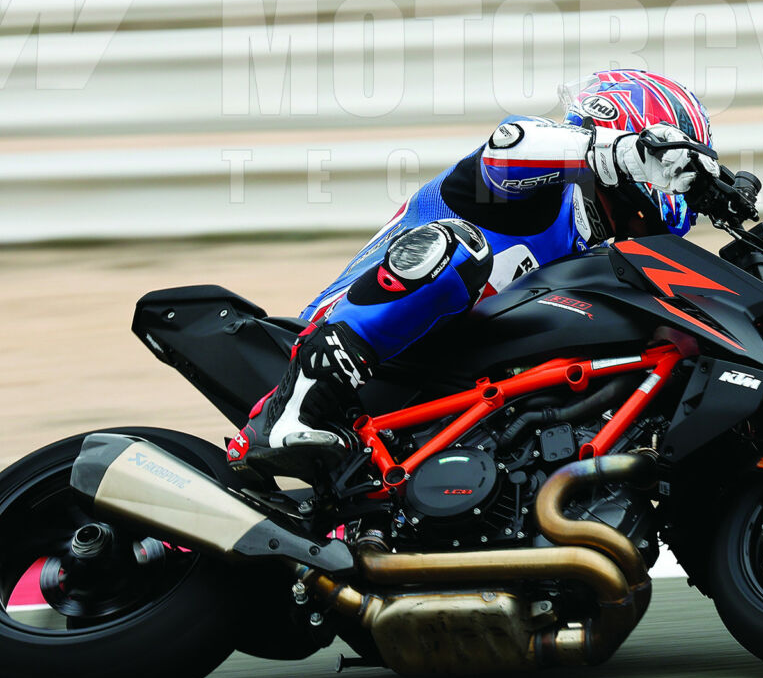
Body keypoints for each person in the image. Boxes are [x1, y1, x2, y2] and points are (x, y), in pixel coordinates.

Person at [227, 69, 720, 482]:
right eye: (674, 161)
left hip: (450, 375)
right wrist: (623, 153)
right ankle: (294, 408)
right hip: (361, 336)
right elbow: (510, 145)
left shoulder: (599, 247)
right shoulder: (541, 181)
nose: (676, 179)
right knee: (459, 251)